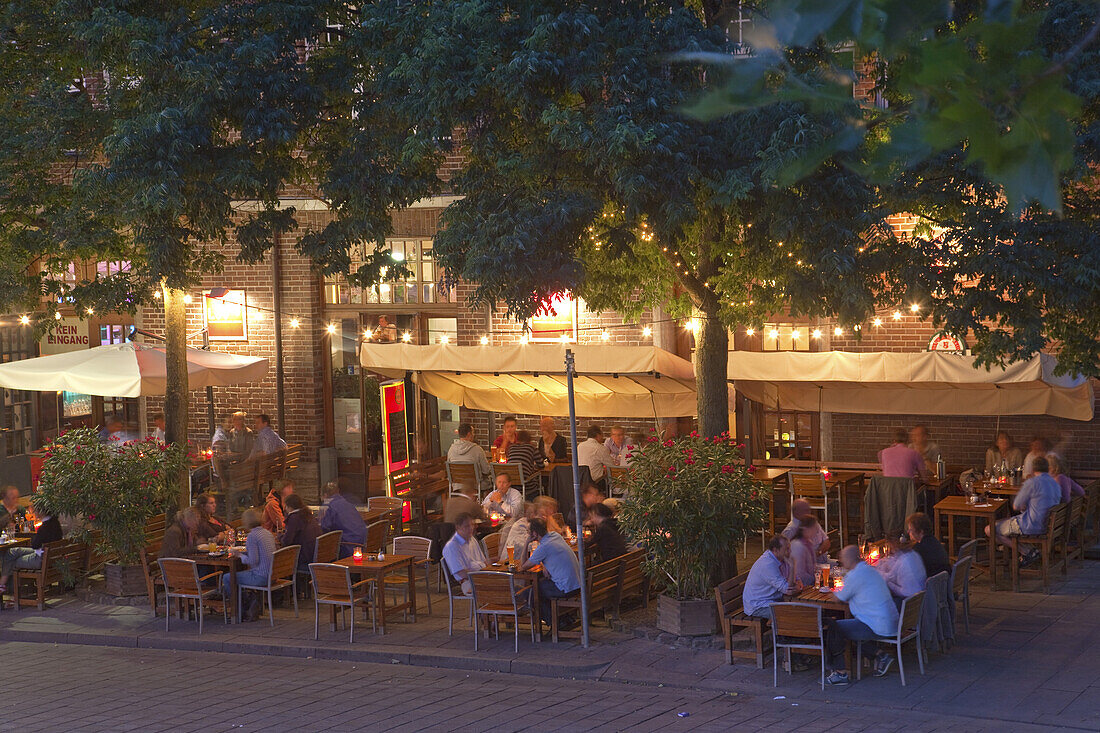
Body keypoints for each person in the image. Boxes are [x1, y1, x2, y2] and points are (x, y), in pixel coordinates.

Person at [823, 545, 901, 685]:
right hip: (887, 621)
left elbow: (838, 598)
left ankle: (840, 673)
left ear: (849, 559)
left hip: (876, 625)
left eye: (842, 558)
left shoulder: (855, 575)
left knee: (835, 628)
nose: (841, 561)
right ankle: (880, 655)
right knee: (851, 625)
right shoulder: (870, 570)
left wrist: (832, 590)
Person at [986, 456, 1062, 564]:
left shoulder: (1032, 483)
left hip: (1031, 526)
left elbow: (1016, 506)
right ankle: (1030, 550)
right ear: (1047, 468)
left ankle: (1025, 551)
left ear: (1033, 469)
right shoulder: (1055, 483)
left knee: (989, 529)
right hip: (1049, 525)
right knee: (1005, 522)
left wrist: (1024, 505)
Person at [521, 518, 582, 630]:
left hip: (566, 588)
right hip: (577, 584)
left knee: (530, 593)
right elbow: (551, 555)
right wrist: (545, 566)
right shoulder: (555, 536)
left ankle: (556, 624)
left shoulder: (543, 547)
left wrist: (526, 543)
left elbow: (523, 566)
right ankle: (563, 619)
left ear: (534, 533)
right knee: (540, 587)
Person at [226, 509, 277, 622]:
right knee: (238, 576)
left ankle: (239, 610)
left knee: (227, 578)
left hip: (260, 576)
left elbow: (253, 560)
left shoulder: (252, 536)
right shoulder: (267, 533)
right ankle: (248, 605)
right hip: (272, 575)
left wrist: (239, 555)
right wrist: (243, 554)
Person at [0, 509, 63, 596]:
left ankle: (4, 587)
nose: (34, 512)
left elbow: (34, 545)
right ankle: (3, 585)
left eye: (36, 510)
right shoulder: (55, 522)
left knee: (12, 560)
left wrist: (36, 537)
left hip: (40, 558)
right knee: (11, 552)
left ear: (42, 512)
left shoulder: (44, 527)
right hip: (47, 555)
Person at [742, 535, 800, 621]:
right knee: (790, 614)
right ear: (775, 550)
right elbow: (788, 590)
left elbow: (798, 581)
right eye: (787, 549)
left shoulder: (783, 558)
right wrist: (792, 567)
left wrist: (796, 585)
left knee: (801, 609)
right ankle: (779, 633)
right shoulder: (768, 564)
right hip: (758, 605)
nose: (790, 551)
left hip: (773, 600)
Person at [442, 513, 487, 595]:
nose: (471, 528)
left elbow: (484, 561)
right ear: (458, 527)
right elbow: (462, 573)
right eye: (467, 526)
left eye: (472, 525)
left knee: (507, 582)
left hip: (481, 575)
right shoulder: (452, 546)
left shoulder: (472, 539)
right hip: (468, 582)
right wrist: (482, 575)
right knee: (500, 586)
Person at [319, 480, 366, 558]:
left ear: (325, 495)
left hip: (347, 546)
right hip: (362, 542)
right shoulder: (347, 503)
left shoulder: (327, 506)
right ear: (337, 492)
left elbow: (322, 529)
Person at [447, 423, 492, 493]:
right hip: (475, 486)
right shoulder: (477, 449)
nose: (474, 435)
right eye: (473, 433)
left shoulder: (451, 449)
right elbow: (486, 471)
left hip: (457, 486)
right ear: (469, 434)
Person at [281, 494, 321, 572]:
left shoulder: (294, 518)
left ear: (290, 506)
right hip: (314, 553)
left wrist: (279, 537)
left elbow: (286, 542)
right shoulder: (308, 515)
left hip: (304, 557)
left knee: (281, 559)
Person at [905, 512, 951, 577]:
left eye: (910, 530)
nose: (908, 532)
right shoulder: (934, 540)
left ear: (921, 531)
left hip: (933, 584)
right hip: (945, 580)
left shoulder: (919, 549)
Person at [788, 516, 820, 588]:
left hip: (810, 584)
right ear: (806, 529)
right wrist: (816, 579)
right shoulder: (798, 546)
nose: (817, 531)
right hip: (801, 586)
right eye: (815, 528)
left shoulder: (808, 543)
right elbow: (799, 573)